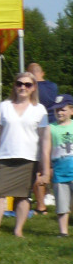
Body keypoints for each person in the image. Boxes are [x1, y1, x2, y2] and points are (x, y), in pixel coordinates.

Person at [0, 71, 50, 238]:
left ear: (34, 88)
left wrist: (45, 167)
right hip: (5, 156)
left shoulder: (39, 110)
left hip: (29, 158)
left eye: (27, 84)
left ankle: (18, 230)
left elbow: (45, 139)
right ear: (14, 86)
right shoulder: (4, 106)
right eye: (19, 83)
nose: (23, 87)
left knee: (23, 196)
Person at [29, 63, 58, 213]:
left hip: (37, 129)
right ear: (43, 73)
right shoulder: (53, 87)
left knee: (39, 169)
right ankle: (51, 194)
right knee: (53, 165)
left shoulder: (31, 88)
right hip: (55, 127)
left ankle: (41, 204)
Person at [47, 94, 73, 237]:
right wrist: (47, 168)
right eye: (57, 110)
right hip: (59, 172)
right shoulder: (51, 128)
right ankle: (63, 231)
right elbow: (46, 149)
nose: (59, 112)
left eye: (63, 109)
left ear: (71, 110)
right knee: (62, 204)